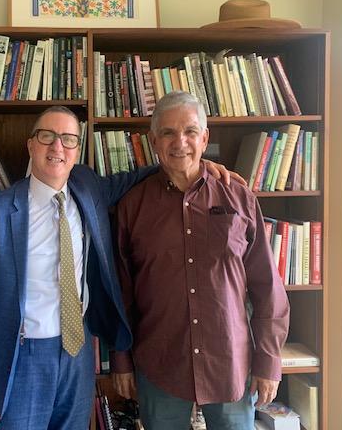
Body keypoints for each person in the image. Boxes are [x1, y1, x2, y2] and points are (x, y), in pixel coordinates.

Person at [0, 105, 237, 430]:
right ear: (31, 144)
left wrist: (197, 164)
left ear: (78, 150)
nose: (57, 147)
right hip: (22, 358)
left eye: (68, 139)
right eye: (47, 137)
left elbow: (142, 175)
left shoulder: (87, 188)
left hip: (78, 354)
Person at [111, 91, 290, 430]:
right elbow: (122, 294)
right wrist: (120, 361)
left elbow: (268, 286)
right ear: (153, 141)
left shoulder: (238, 197)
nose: (180, 142)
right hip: (160, 362)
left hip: (230, 362)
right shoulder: (132, 206)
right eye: (167, 132)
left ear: (205, 137)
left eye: (190, 131)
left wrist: (269, 360)